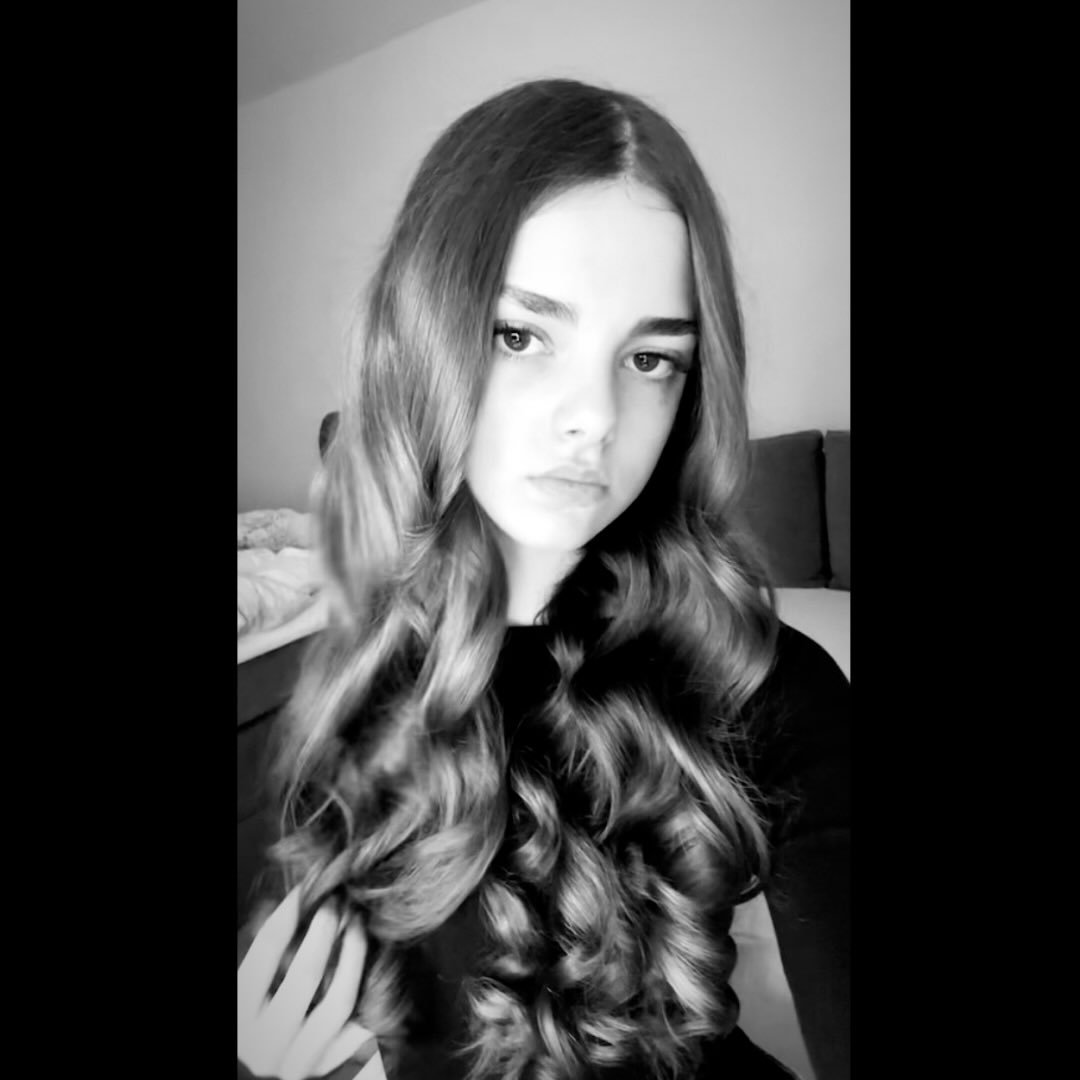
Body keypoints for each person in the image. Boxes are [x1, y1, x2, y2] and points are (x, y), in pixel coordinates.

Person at [237, 78, 850, 1080]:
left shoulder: (764, 688)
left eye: (650, 360)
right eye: (520, 335)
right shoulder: (354, 673)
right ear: (427, 338)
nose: (594, 418)